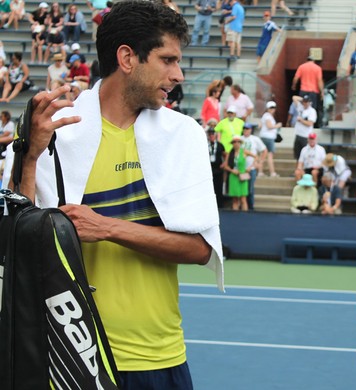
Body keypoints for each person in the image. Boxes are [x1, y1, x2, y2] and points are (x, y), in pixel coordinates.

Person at [3, 1, 224, 388]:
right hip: (67, 352)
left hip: (155, 354)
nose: (179, 74)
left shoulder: (184, 134)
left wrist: (106, 228)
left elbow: (200, 250)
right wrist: (31, 155)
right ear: (127, 58)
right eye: (167, 59)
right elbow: (16, 236)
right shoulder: (56, 132)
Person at [241, 123, 266, 210]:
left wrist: (260, 162)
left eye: (247, 129)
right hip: (242, 169)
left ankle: (250, 207)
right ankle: (244, 206)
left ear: (250, 130)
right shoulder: (240, 139)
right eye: (244, 129)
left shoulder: (255, 139)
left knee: (250, 188)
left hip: (251, 168)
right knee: (243, 189)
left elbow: (264, 150)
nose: (245, 130)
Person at [224, 135, 251, 211]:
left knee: (243, 199)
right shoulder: (230, 153)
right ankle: (236, 216)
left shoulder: (244, 151)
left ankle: (245, 216)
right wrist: (232, 170)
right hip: (234, 176)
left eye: (238, 142)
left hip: (242, 176)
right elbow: (225, 166)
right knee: (235, 199)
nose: (236, 143)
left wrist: (250, 167)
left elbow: (256, 157)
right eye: (234, 142)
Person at [258, 100, 282, 177]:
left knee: (263, 155)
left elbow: (260, 125)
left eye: (273, 108)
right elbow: (269, 126)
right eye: (271, 108)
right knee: (269, 155)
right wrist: (277, 125)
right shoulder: (267, 116)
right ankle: (272, 172)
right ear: (268, 109)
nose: (272, 110)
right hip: (268, 138)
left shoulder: (265, 115)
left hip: (265, 136)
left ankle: (260, 171)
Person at [293, 95, 317, 160]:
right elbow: (294, 97)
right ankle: (298, 169)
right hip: (298, 134)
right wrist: (303, 99)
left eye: (307, 102)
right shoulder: (300, 107)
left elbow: (310, 123)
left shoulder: (312, 111)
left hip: (306, 136)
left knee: (306, 156)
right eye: (304, 102)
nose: (305, 103)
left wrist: (301, 120)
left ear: (310, 102)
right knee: (297, 156)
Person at [206, 127, 226, 207]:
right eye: (210, 134)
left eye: (213, 134)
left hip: (218, 169)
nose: (211, 136)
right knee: (209, 187)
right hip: (208, 170)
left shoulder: (220, 145)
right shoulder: (205, 144)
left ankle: (219, 204)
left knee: (218, 187)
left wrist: (225, 163)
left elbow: (225, 154)